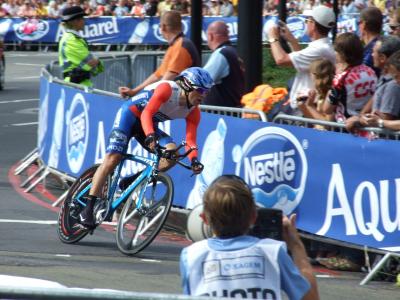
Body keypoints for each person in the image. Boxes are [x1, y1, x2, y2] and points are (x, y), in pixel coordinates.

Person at [78, 67, 213, 228]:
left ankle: (131, 181)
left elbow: (190, 140)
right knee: (113, 158)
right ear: (187, 85)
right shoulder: (167, 89)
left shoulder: (193, 112)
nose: (203, 95)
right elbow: (147, 113)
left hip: (147, 125)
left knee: (172, 154)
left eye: (207, 91)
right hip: (129, 117)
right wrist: (150, 135)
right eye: (200, 90)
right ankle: (88, 208)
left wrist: (195, 160)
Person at [180, 175, 319, 299]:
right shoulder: (273, 252)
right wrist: (296, 245)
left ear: (204, 219)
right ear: (254, 216)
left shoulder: (190, 256)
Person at [268, 5, 336, 115]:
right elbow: (304, 62)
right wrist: (292, 40)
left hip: (304, 109)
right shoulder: (323, 46)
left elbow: (281, 60)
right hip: (305, 106)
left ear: (313, 25)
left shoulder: (319, 49)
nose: (305, 23)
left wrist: (272, 37)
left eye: (307, 20)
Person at [119, 10, 200, 98]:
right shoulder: (176, 45)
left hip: (182, 104)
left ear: (163, 27)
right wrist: (135, 91)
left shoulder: (181, 46)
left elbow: (168, 78)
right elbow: (157, 75)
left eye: (160, 26)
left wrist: (148, 97)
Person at [346, 36, 400, 133]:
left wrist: (363, 120)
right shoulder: (383, 77)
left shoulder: (393, 86)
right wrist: (361, 117)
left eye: (374, 52)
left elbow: (384, 121)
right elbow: (367, 112)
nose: (371, 54)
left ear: (382, 58)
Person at [322, 32, 377, 123]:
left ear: (342, 54)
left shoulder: (341, 78)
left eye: (336, 51)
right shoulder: (371, 71)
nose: (335, 53)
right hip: (366, 122)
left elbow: (327, 109)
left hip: (346, 126)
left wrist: (329, 90)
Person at [58, 6, 104, 87]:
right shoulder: (72, 39)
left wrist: (96, 62)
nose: (84, 21)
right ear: (74, 21)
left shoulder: (71, 37)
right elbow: (92, 63)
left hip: (77, 84)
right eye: (82, 18)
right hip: (77, 85)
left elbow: (93, 64)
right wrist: (97, 62)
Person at [203, 21, 244, 107]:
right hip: (232, 111)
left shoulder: (221, 54)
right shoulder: (232, 52)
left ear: (210, 36)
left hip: (221, 116)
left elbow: (201, 80)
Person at [358, 6, 383, 77]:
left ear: (364, 25)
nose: (358, 26)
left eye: (359, 22)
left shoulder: (369, 55)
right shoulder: (384, 43)